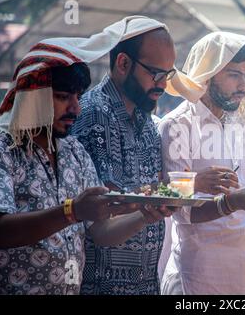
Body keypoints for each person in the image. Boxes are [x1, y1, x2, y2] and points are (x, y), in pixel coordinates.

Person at [0, 37, 141, 294]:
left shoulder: (74, 151)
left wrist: (145, 214)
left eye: (78, 96)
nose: (75, 107)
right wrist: (71, 211)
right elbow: (0, 231)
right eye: (63, 97)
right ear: (33, 98)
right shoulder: (4, 149)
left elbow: (99, 232)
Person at [159, 31, 245, 294]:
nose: (243, 85)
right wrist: (234, 202)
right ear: (207, 76)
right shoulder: (178, 125)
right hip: (199, 270)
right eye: (234, 74)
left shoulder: (243, 125)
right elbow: (178, 207)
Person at [71, 17, 177, 295]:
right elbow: (103, 211)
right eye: (155, 73)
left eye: (168, 74)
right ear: (123, 64)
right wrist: (153, 200)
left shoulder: (147, 122)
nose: (163, 84)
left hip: (145, 285)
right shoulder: (93, 115)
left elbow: (149, 194)